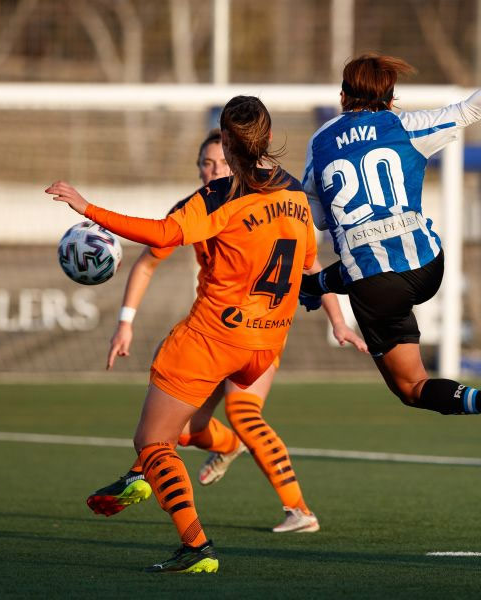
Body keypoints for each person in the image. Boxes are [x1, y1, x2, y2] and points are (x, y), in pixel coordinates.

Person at [46, 95, 323, 574]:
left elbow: (160, 235)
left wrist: (87, 207)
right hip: (267, 343)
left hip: (216, 337)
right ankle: (144, 475)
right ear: (268, 137)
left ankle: (195, 545)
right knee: (187, 419)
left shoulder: (220, 197)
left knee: (154, 440)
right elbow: (307, 264)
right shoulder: (296, 194)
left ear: (226, 141)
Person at [86, 129, 366, 535]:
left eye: (221, 161)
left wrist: (338, 320)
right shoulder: (201, 206)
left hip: (252, 330)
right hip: (224, 332)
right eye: (207, 162)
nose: (215, 169)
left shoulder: (259, 200)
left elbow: (311, 265)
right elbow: (147, 262)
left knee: (240, 413)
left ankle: (298, 510)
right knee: (186, 430)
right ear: (199, 167)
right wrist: (125, 321)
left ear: (236, 161)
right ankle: (213, 451)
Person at [300, 31, 481, 430]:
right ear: (391, 98)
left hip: (376, 286)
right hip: (427, 266)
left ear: (342, 96)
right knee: (360, 266)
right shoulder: (406, 125)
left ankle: (313, 285)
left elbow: (318, 218)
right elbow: (470, 109)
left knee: (411, 387)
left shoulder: (320, 142)